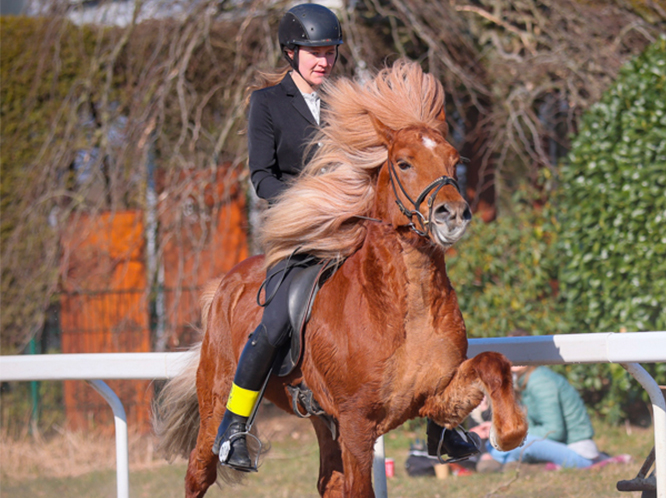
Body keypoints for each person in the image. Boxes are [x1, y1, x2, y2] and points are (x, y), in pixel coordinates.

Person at [214, 4, 476, 471]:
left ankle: (443, 423)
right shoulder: (268, 103)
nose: (324, 61)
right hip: (304, 231)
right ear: (291, 52)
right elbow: (261, 177)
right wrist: (310, 204)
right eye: (314, 53)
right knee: (276, 320)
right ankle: (234, 425)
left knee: (424, 302)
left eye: (330, 52)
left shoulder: (346, 103)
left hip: (359, 228)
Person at [472, 364, 612, 471]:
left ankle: (504, 462)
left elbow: (554, 431)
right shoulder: (526, 380)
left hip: (579, 454)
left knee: (502, 443)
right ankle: (509, 463)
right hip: (563, 447)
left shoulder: (540, 381)